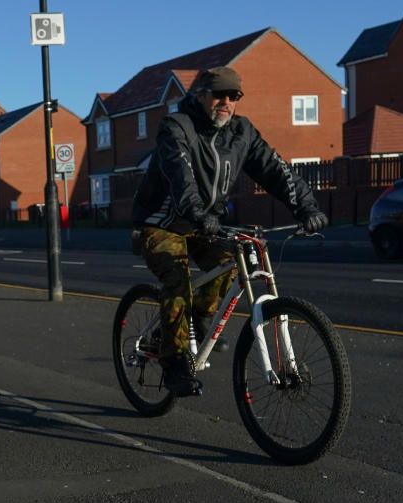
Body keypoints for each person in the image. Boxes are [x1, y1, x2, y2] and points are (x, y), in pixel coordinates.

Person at [130, 66, 328, 397]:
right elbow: (180, 173)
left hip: (206, 224)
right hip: (161, 223)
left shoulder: (241, 133)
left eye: (234, 96)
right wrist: (195, 211)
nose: (226, 102)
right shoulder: (176, 127)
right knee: (177, 281)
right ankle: (176, 362)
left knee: (233, 261)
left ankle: (198, 319)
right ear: (200, 95)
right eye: (219, 95)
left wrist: (305, 206)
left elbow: (275, 169)